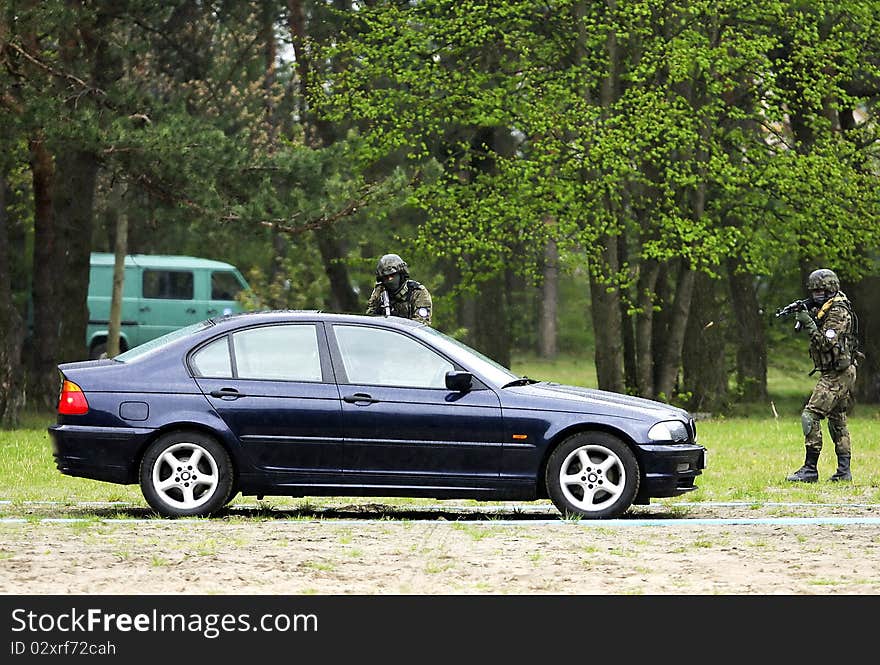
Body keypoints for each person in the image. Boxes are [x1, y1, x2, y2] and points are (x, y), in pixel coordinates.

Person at [786, 268, 860, 483]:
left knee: (810, 416)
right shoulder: (826, 307)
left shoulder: (838, 311)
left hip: (838, 373)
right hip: (838, 370)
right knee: (837, 420)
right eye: (814, 291)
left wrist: (808, 322)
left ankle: (810, 469)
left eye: (820, 291)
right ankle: (843, 472)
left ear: (830, 289)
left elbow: (826, 342)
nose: (816, 295)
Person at [365, 253, 432, 325]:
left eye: (392, 275)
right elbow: (370, 320)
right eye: (386, 277)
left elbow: (421, 324)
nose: (389, 280)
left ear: (401, 274)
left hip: (406, 334)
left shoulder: (417, 292)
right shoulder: (380, 291)